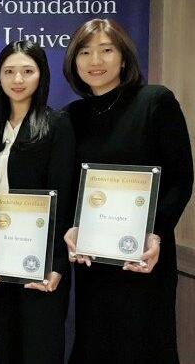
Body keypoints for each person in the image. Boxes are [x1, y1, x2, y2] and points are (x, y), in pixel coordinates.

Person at [62, 18, 192, 363]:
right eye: (85, 52)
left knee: (144, 346)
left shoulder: (155, 102)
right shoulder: (72, 116)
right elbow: (70, 187)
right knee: (95, 346)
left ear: (123, 58)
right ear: (74, 61)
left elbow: (180, 180)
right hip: (93, 261)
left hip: (145, 257)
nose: (95, 60)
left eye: (106, 50)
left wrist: (154, 234)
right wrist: (72, 228)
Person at [0, 41, 75, 363]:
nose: (18, 79)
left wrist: (57, 264)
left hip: (41, 259)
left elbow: (64, 197)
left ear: (41, 75)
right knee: (8, 346)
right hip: (0, 256)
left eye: (27, 71)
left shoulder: (56, 125)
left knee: (41, 348)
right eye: (9, 72)